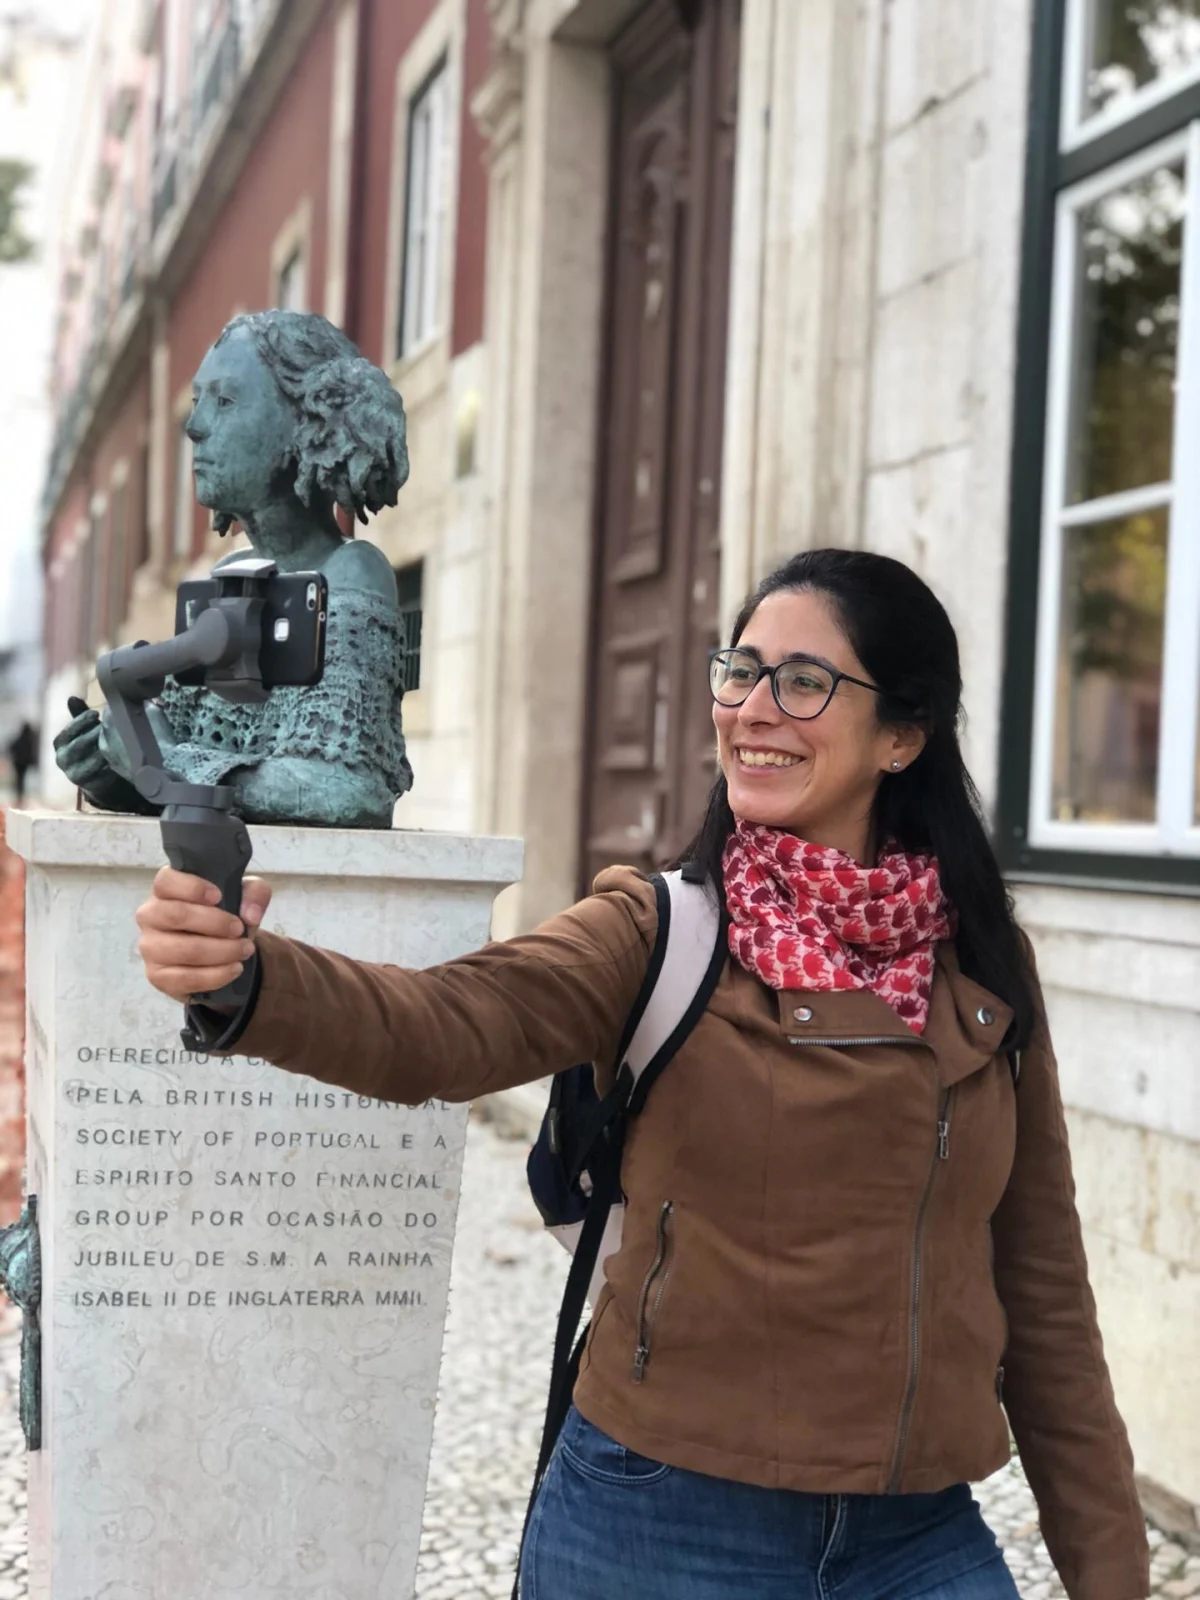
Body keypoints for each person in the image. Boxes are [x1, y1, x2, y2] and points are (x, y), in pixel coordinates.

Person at [134, 548, 1150, 1600]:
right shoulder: (661, 929)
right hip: (664, 1524)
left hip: (917, 1537)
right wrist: (248, 980)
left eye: (804, 681)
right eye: (740, 671)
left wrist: (1111, 1572)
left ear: (903, 733)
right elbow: (443, 1024)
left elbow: (1044, 1290)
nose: (752, 709)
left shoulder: (979, 962)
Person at [53, 310, 412, 827]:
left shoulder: (351, 574)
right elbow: (188, 775)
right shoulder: (233, 573)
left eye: (225, 401)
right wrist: (113, 765)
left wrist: (162, 761)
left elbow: (348, 790)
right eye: (198, 401)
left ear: (306, 425)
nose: (195, 426)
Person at [6, 721, 36, 804]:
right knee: (22, 779)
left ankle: (19, 796)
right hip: (24, 763)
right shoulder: (30, 740)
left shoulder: (20, 739)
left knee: (19, 779)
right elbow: (31, 753)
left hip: (18, 763)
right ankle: (20, 796)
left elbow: (11, 747)